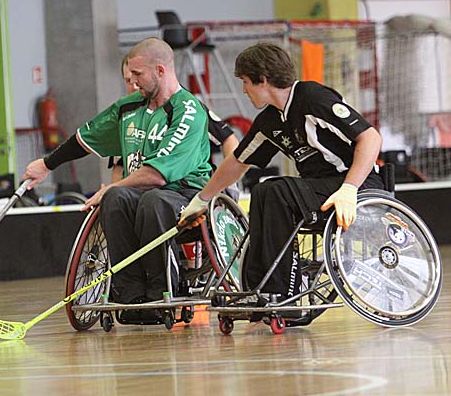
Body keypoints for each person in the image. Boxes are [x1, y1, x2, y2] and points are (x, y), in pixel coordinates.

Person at [180, 42, 383, 300]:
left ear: (263, 80)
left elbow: (371, 138)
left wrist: (349, 188)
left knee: (277, 191)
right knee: (263, 191)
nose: (243, 90)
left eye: (245, 82)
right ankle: (258, 289)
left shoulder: (313, 98)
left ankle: (283, 292)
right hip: (319, 189)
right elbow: (237, 162)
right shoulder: (270, 120)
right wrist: (202, 199)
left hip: (357, 184)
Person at [24, 38, 213, 306]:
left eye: (138, 74)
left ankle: (162, 290)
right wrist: (47, 164)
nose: (132, 82)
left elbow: (157, 175)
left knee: (151, 200)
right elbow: (85, 138)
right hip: (140, 194)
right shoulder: (128, 107)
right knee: (115, 199)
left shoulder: (188, 111)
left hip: (184, 195)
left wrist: (113, 186)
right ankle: (129, 294)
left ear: (160, 70)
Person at [111, 54, 240, 196]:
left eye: (139, 77)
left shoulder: (186, 107)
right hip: (139, 193)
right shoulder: (126, 114)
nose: (135, 85)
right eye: (128, 81)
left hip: (181, 192)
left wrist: (229, 184)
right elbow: (119, 165)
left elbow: (229, 139)